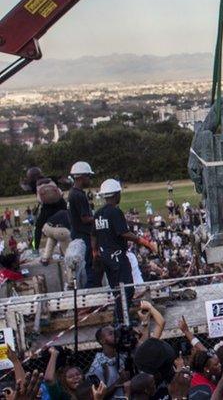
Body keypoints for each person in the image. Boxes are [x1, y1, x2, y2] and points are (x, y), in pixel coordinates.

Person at [90, 179, 156, 318]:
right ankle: (120, 319)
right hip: (117, 256)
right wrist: (144, 242)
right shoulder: (115, 212)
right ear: (115, 194)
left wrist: (95, 252)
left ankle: (121, 317)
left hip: (105, 257)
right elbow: (123, 232)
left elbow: (94, 235)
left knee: (116, 290)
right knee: (126, 289)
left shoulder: (98, 213)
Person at [67, 161, 97, 288]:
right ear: (81, 177)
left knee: (84, 266)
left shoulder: (72, 193)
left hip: (77, 234)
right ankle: (90, 291)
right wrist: (98, 218)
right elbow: (85, 219)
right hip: (84, 235)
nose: (89, 179)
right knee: (90, 265)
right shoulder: (79, 195)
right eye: (88, 176)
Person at [87, 326, 130, 399]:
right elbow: (98, 396)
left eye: (115, 332)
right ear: (102, 341)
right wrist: (119, 381)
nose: (115, 335)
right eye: (111, 334)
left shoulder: (123, 357)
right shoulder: (97, 367)